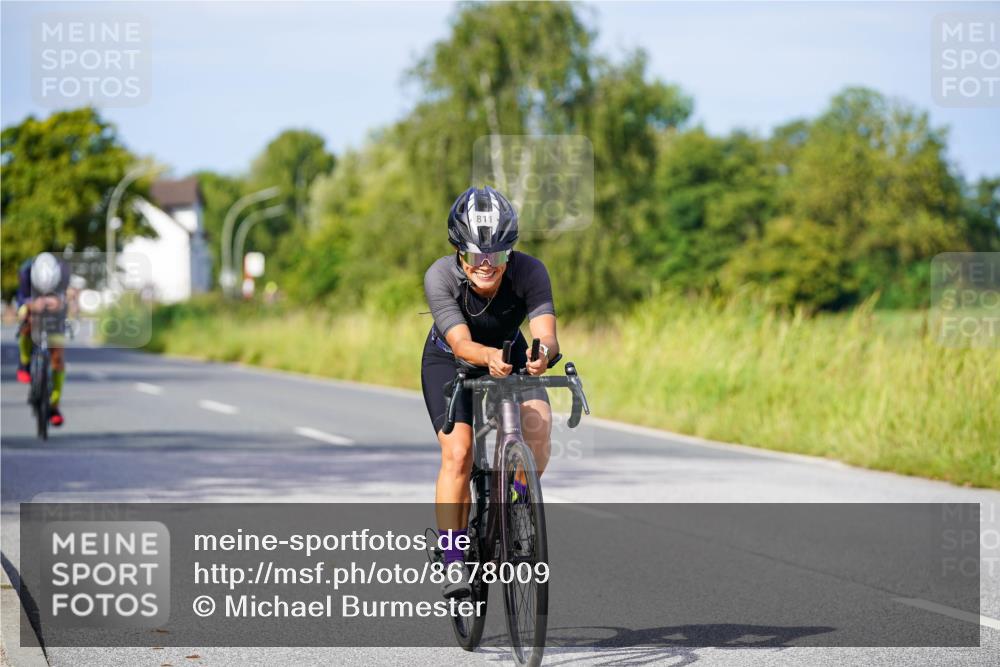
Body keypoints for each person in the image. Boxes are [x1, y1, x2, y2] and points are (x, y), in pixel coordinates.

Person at [421, 186, 559, 598]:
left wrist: (541, 355)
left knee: (540, 424)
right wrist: (486, 359)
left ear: (509, 253)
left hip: (510, 351)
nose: (486, 265)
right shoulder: (440, 276)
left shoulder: (531, 272)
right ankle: (452, 558)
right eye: (476, 255)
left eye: (496, 255)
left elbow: (546, 334)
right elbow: (463, 345)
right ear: (458, 252)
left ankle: (517, 502)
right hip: (451, 358)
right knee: (459, 453)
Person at [15, 252, 70, 426]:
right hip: (31, 304)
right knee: (26, 322)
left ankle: (54, 405)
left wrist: (59, 302)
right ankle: (24, 362)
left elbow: (66, 298)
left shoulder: (63, 271)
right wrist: (31, 304)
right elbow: (22, 298)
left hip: (55, 312)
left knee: (58, 358)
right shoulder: (25, 271)